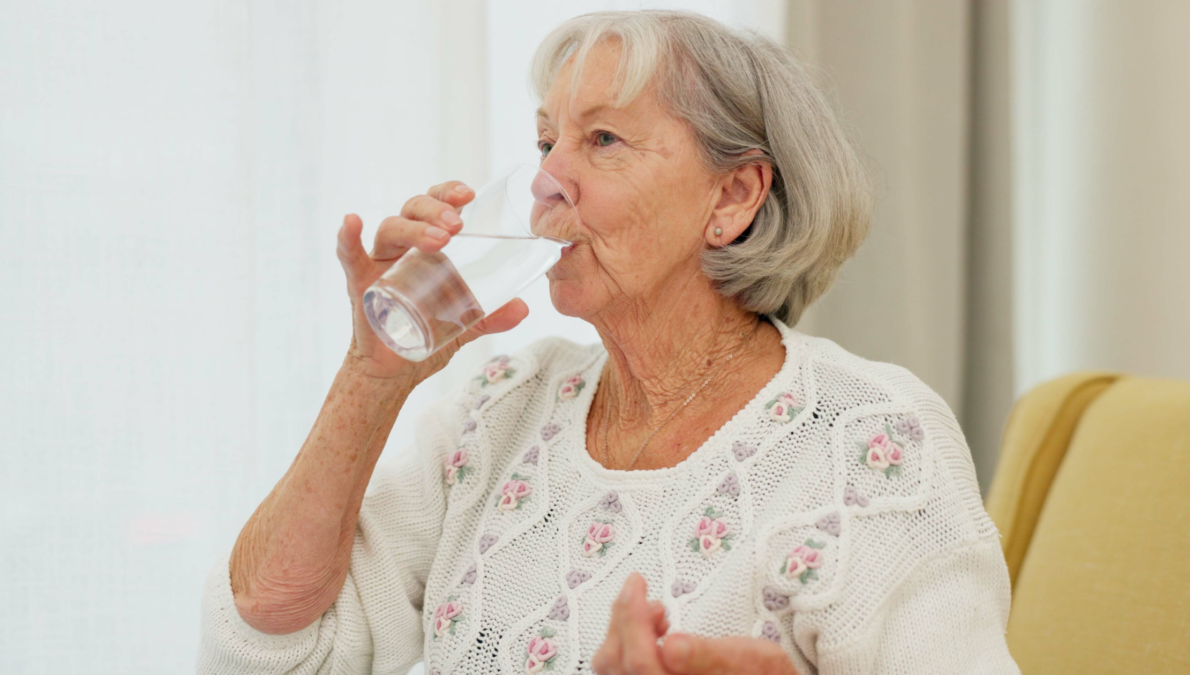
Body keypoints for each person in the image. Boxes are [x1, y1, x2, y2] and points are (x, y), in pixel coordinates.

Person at [198, 10, 1019, 674]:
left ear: (732, 196)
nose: (549, 178)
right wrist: (371, 376)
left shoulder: (866, 442)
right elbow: (267, 652)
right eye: (544, 141)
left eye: (602, 140)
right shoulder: (500, 410)